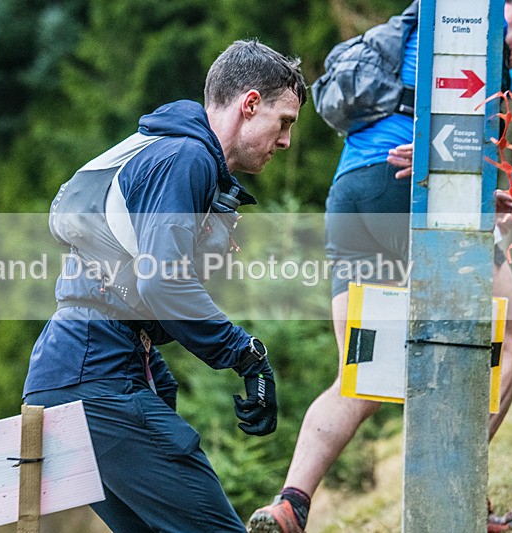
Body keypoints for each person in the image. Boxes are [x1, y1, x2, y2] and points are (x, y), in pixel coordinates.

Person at [247, 2, 512, 532]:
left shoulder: (430, 22)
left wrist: (476, 189)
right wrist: (453, 180)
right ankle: (455, 494)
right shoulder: (475, 31)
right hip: (413, 187)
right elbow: (450, 130)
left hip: (353, 193)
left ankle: (290, 503)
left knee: (362, 375)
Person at [23, 39, 307, 532]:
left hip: (67, 373)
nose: (285, 141)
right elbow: (163, 282)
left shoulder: (164, 151)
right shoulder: (187, 157)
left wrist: (157, 374)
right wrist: (247, 356)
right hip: (99, 376)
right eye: (283, 122)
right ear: (250, 104)